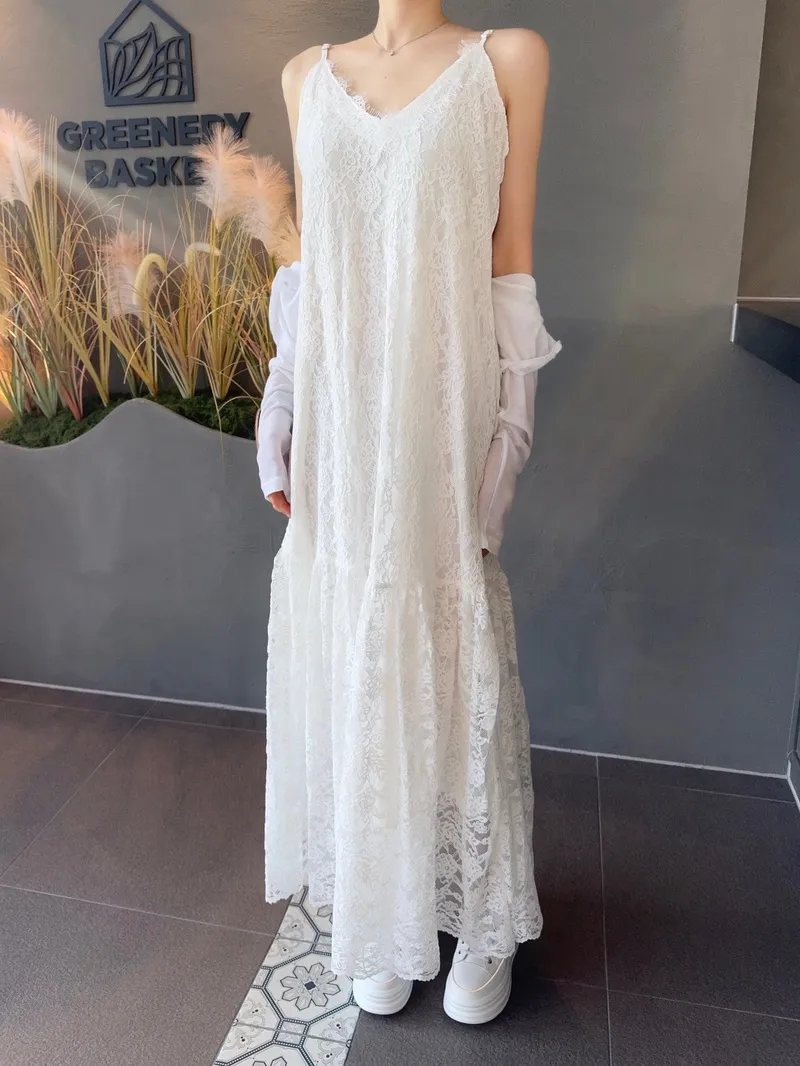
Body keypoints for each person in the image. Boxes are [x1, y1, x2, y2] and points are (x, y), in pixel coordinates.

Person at [256, 1, 560, 1025]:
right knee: (356, 651)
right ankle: (386, 903)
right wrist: (282, 401)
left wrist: (507, 441)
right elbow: (311, 273)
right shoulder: (306, 78)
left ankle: (480, 916)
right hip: (343, 430)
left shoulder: (504, 61)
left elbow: (509, 265)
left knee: (450, 646)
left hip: (441, 417)